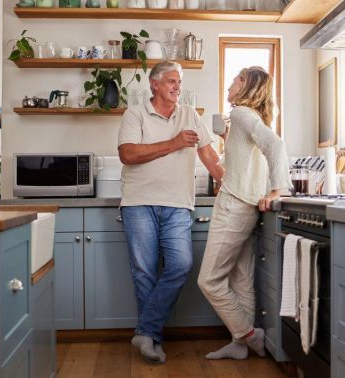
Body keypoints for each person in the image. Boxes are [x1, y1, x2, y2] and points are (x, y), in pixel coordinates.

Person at [118, 61, 224, 364]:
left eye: (179, 82)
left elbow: (209, 155)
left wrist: (227, 181)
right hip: (138, 202)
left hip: (178, 204)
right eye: (171, 82)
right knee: (144, 272)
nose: (177, 87)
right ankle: (152, 339)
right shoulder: (135, 114)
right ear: (154, 84)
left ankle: (145, 331)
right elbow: (128, 154)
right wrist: (174, 142)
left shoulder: (190, 115)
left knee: (181, 264)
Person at [197, 66, 290, 360]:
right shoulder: (247, 119)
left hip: (235, 205)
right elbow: (246, 160)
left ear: (246, 87)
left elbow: (275, 144)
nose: (230, 84)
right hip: (246, 206)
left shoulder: (240, 113)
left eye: (237, 79)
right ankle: (239, 346)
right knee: (241, 279)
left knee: (209, 280)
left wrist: (278, 189)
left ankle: (249, 335)